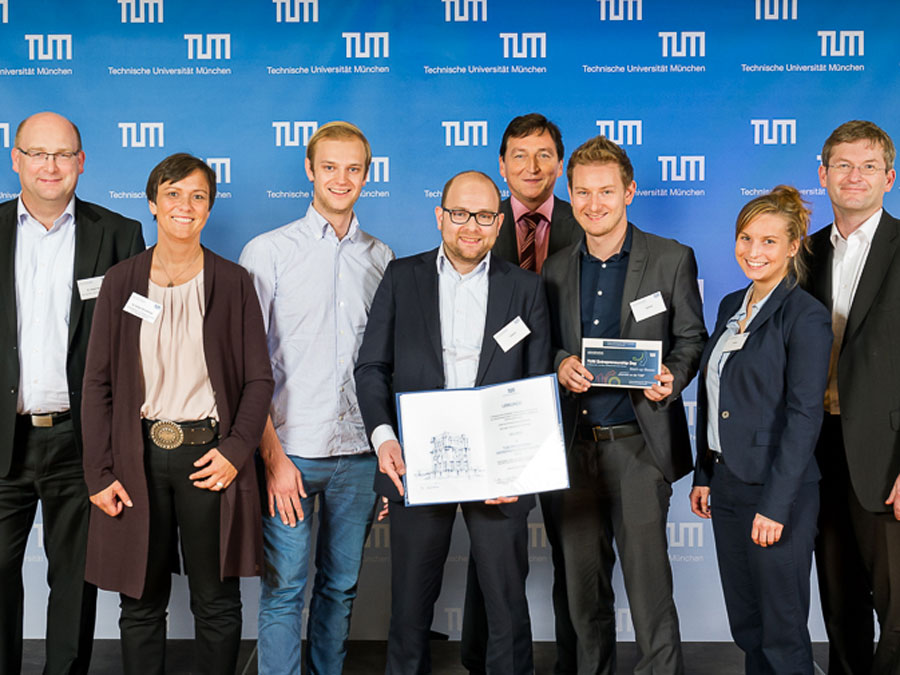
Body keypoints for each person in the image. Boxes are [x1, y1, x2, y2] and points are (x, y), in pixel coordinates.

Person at [81, 153, 274, 675]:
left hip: (209, 458)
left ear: (209, 208)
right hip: (135, 459)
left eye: (197, 196)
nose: (184, 206)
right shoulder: (121, 282)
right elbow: (97, 383)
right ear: (152, 204)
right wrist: (99, 473)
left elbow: (259, 379)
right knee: (139, 602)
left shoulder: (233, 283)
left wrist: (235, 452)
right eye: (173, 194)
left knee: (216, 602)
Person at [355, 170, 551, 675]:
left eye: (485, 216)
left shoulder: (526, 288)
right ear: (440, 216)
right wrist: (383, 439)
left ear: (499, 221)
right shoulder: (402, 278)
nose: (471, 226)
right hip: (418, 462)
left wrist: (519, 470)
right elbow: (372, 367)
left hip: (498, 470)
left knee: (508, 604)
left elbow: (536, 384)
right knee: (410, 605)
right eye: (460, 214)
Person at [542, 135, 706, 675]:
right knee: (583, 595)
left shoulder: (670, 257)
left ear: (629, 191)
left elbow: (690, 339)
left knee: (648, 590)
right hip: (573, 451)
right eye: (583, 192)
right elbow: (542, 345)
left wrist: (672, 377)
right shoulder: (557, 268)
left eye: (606, 191)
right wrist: (562, 360)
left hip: (638, 447)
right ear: (570, 193)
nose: (594, 204)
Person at [239, 121, 393, 675]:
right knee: (284, 591)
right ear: (309, 170)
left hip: (357, 454)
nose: (341, 178)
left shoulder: (382, 258)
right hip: (291, 451)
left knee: (340, 589)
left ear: (367, 176)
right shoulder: (268, 252)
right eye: (329, 166)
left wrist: (382, 457)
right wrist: (272, 457)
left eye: (353, 168)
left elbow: (384, 367)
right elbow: (249, 366)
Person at [0, 111, 144, 675]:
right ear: (15, 159)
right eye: (37, 153)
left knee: (75, 580)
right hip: (3, 438)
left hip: (78, 439)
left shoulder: (120, 234)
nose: (50, 166)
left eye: (62, 154)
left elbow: (138, 337)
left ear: (82, 162)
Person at [690, 186, 832, 674]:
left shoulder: (806, 315)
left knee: (782, 629)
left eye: (769, 242)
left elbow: (804, 414)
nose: (754, 252)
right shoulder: (732, 302)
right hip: (727, 483)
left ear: (794, 246)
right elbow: (717, 394)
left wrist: (775, 505)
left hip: (778, 492)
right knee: (748, 625)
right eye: (746, 238)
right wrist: (704, 473)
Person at [463, 112, 582, 675]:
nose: (531, 167)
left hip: (576, 420)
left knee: (575, 553)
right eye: (518, 155)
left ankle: (576, 661)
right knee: (493, 552)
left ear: (559, 164)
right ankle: (480, 659)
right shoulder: (475, 229)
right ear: (501, 164)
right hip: (495, 419)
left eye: (543, 155)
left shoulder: (589, 224)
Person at [803, 120, 900, 674]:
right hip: (819, 454)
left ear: (889, 177)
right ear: (823, 175)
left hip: (887, 459)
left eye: (867, 166)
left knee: (898, 609)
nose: (853, 176)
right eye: (842, 165)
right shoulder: (804, 254)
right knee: (840, 608)